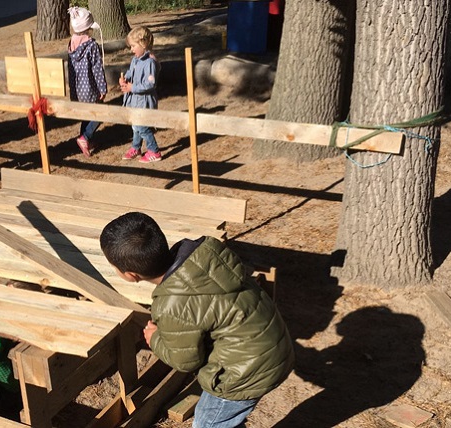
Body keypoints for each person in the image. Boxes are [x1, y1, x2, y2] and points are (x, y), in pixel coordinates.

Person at [100, 212, 295, 428]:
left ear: (130, 275)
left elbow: (185, 361)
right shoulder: (204, 256)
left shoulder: (173, 304)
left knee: (208, 423)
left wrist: (155, 338)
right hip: (274, 345)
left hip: (246, 373)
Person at [67, 6, 107, 157]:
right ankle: (85, 137)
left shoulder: (71, 44)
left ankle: (85, 140)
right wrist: (102, 88)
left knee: (86, 113)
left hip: (77, 88)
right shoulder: (92, 46)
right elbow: (97, 68)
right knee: (100, 112)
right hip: (90, 88)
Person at [119, 27, 162, 163]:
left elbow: (150, 84)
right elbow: (131, 73)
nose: (131, 49)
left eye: (133, 46)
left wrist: (133, 87)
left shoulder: (150, 62)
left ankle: (154, 151)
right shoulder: (135, 60)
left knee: (142, 126)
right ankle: (136, 147)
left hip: (144, 101)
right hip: (134, 100)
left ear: (143, 44)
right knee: (135, 125)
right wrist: (125, 79)